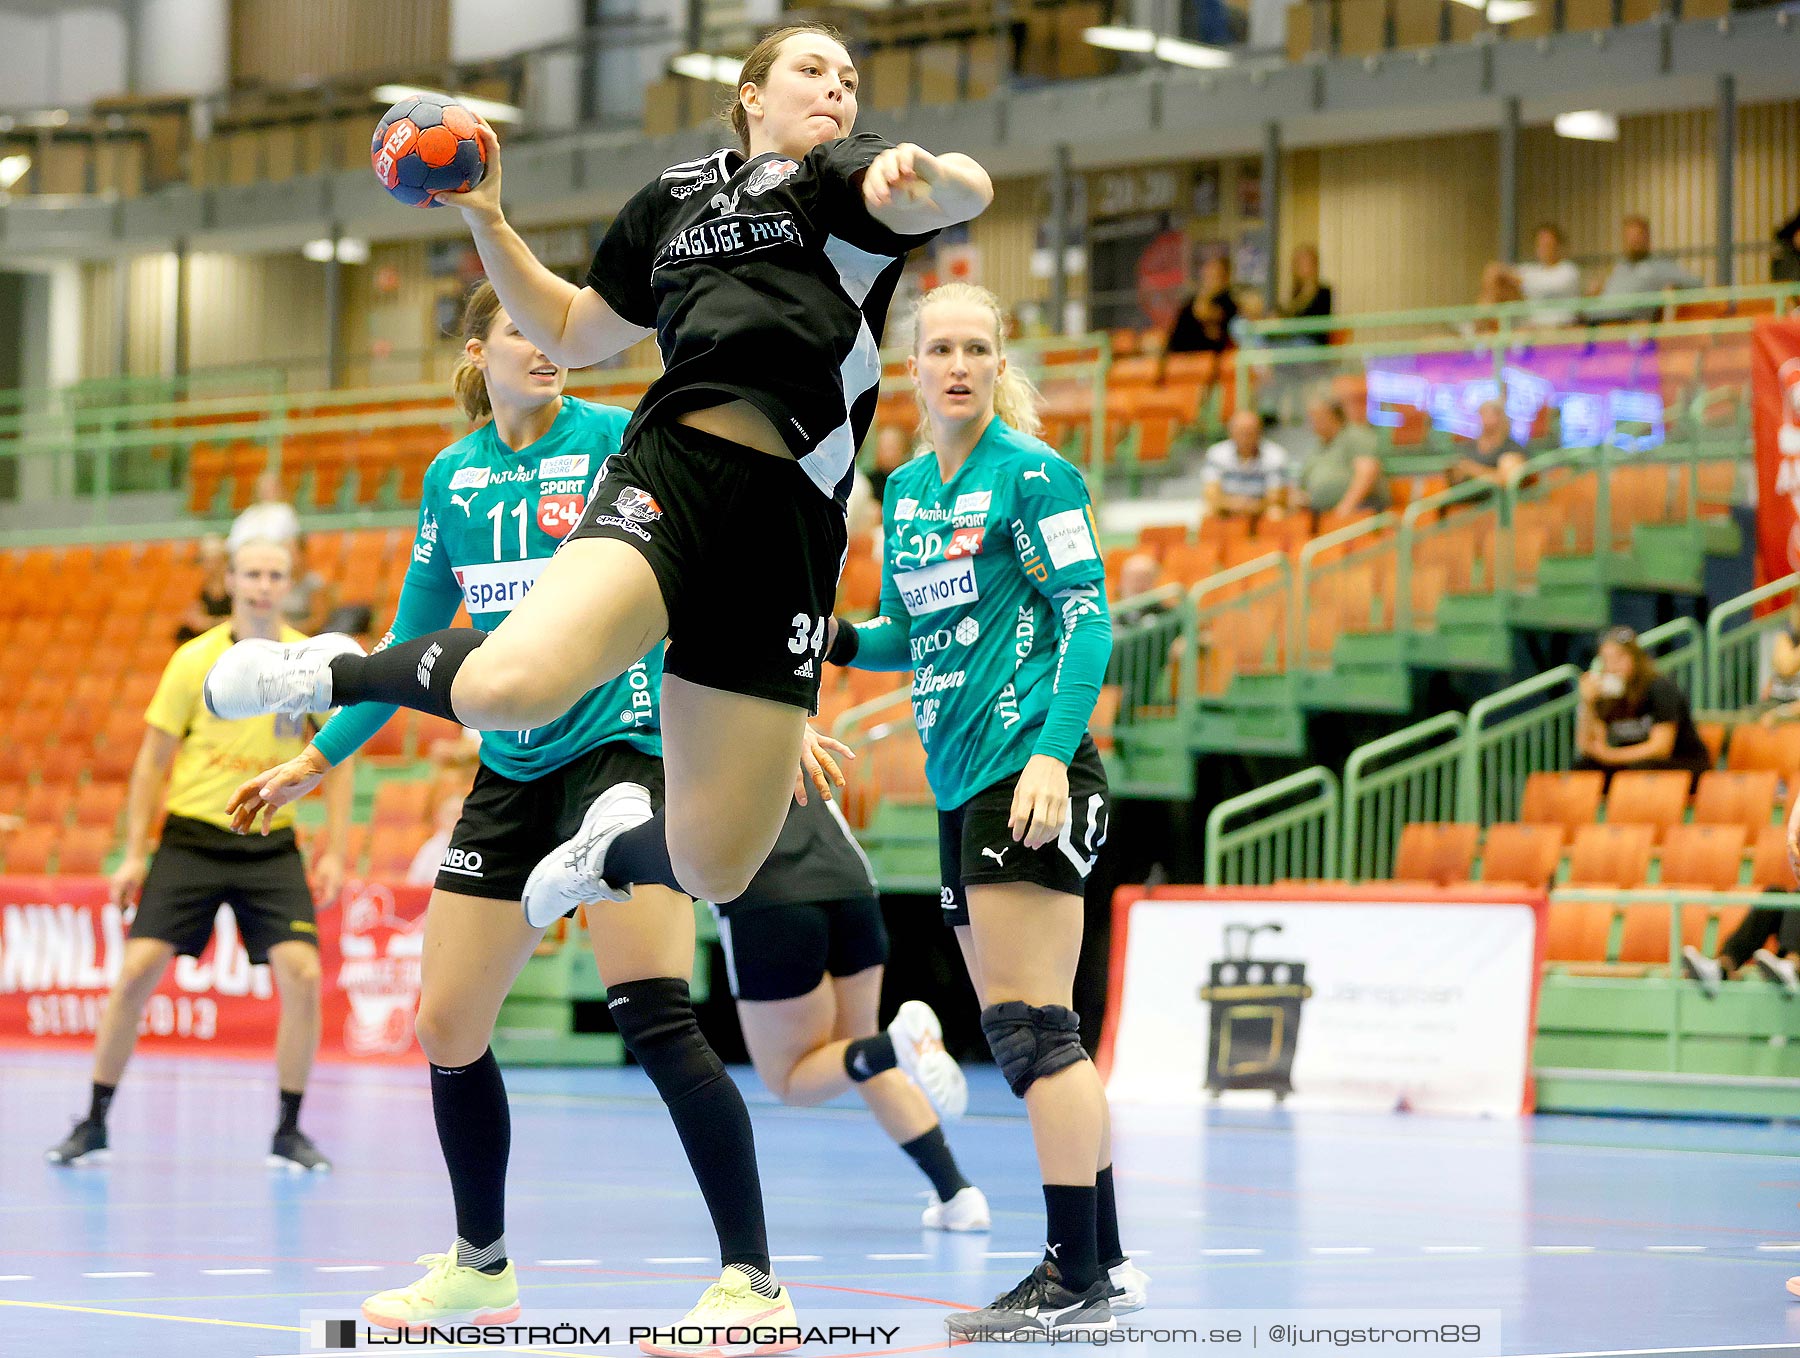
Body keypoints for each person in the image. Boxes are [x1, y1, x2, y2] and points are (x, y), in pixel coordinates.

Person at [221, 281, 967, 1341]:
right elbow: (414, 640)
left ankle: (752, 1283)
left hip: (623, 745)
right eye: (519, 329)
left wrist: (769, 705)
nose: (547, 345)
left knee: (655, 1011)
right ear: (477, 353)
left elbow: (720, 560)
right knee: (445, 1024)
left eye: (552, 329)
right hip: (511, 770)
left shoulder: (621, 439)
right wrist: (320, 758)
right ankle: (481, 1265)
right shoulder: (453, 479)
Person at [203, 22, 993, 969]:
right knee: (509, 688)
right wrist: (489, 220)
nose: (837, 90)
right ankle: (327, 670)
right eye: (811, 71)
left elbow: (960, 190)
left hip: (787, 529)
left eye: (851, 79)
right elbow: (577, 330)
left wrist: (936, 180)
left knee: (717, 866)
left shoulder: (845, 179)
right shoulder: (672, 198)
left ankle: (603, 852)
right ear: (751, 94)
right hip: (671, 474)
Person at [826, 282, 1149, 1338]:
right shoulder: (910, 490)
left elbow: (1089, 618)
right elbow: (905, 633)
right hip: (961, 782)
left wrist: (1053, 755)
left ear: (996, 362)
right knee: (1030, 1030)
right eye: (938, 349)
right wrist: (830, 639)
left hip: (1030, 772)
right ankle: (1105, 1255)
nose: (956, 364)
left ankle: (1072, 1274)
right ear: (910, 369)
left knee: (1033, 1027)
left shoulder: (1035, 473)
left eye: (975, 348)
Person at [45, 538, 351, 1172]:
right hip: (191, 838)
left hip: (269, 842)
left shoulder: (307, 661)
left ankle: (289, 1132)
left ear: (289, 584)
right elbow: (152, 761)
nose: (263, 585)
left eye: (275, 575)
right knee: (134, 975)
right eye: (252, 574)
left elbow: (339, 757)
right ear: (231, 580)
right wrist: (134, 854)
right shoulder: (193, 661)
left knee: (303, 975)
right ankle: (94, 1121)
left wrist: (335, 847)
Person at [712, 791, 989, 1231]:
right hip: (852, 884)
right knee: (859, 1058)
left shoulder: (681, 735)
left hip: (768, 894)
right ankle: (957, 1196)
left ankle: (896, 1044)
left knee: (791, 1081)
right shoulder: (791, 725)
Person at [1574, 625, 1711, 789]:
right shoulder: (1607, 695)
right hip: (1632, 762)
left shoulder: (1659, 688)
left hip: (1679, 762)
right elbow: (1586, 746)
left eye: (1619, 658)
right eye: (1606, 660)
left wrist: (1611, 756)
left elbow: (1661, 748)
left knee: (1639, 771)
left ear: (1635, 658)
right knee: (1583, 767)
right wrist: (1587, 703)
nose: (1613, 666)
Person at [1593, 214, 1702, 322]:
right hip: (1598, 322)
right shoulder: (1620, 267)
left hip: (1631, 326)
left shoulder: (1660, 265)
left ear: (1647, 237)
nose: (1633, 241)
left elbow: (1696, 283)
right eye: (1629, 236)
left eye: (1637, 236)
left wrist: (1676, 290)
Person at [1297, 397, 1386, 518]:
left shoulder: (1355, 435)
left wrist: (1346, 507)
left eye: (1317, 417)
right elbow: (1304, 486)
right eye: (1311, 418)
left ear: (1334, 415)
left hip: (1359, 512)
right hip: (1320, 514)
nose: (1313, 422)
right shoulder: (1317, 447)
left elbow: (1367, 472)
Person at [1201, 409, 1291, 524]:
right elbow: (1211, 494)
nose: (1245, 438)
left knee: (1275, 513)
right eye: (1241, 432)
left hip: (1260, 510)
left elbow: (1276, 498)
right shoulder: (1216, 453)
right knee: (1208, 512)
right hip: (1227, 509)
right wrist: (1233, 504)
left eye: (1250, 432)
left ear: (1259, 432)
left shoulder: (1276, 455)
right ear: (1231, 432)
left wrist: (1252, 506)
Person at [1450, 399, 1528, 487]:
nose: (1486, 419)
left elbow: (1508, 480)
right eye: (1483, 414)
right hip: (1462, 497)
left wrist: (1472, 469)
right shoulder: (1469, 447)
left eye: (1491, 414)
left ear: (1501, 418)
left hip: (1494, 499)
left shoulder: (1511, 448)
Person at [227, 469, 301, 553]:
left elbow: (289, 540)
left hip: (271, 554)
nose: (266, 491)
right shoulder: (250, 512)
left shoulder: (285, 511)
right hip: (245, 554)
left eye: (270, 488)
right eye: (263, 488)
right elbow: (234, 540)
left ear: (278, 489)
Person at [175, 533, 231, 643]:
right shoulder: (201, 587)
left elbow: (240, 620)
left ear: (224, 561)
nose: (210, 566)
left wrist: (208, 623)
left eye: (215, 561)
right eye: (206, 560)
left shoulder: (235, 587)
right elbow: (192, 617)